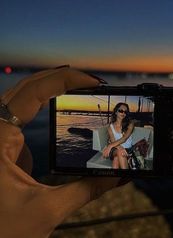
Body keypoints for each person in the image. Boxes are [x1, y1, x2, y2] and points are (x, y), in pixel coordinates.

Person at [0, 66, 129, 238]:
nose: (122, 113)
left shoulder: (129, 125)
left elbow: (122, 139)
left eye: (124, 111)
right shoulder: (110, 126)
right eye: (119, 110)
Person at [102, 102, 134, 169]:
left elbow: (124, 138)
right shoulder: (110, 127)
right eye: (121, 111)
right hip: (115, 149)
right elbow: (113, 141)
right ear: (116, 112)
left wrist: (110, 146)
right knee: (120, 152)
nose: (123, 113)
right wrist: (120, 148)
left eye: (125, 112)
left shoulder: (130, 124)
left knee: (116, 159)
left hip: (128, 150)